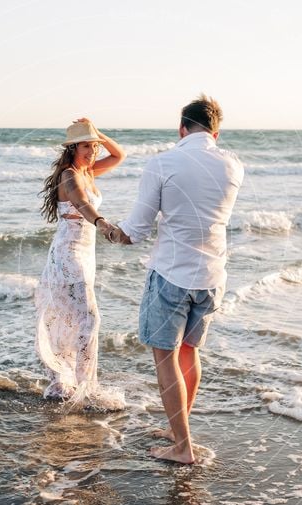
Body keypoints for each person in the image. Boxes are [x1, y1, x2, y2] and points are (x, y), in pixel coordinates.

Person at [109, 95, 243, 463]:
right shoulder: (233, 166)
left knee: (165, 357)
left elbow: (135, 229)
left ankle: (182, 446)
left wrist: (107, 229)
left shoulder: (163, 162)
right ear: (216, 131)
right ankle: (177, 427)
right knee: (189, 352)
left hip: (172, 274)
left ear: (181, 127)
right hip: (212, 276)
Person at [35, 118, 125, 404]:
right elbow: (82, 205)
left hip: (86, 254)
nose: (92, 151)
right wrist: (103, 224)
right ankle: (87, 387)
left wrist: (97, 133)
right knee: (90, 317)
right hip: (68, 253)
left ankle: (69, 381)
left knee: (74, 317)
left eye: (94, 146)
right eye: (86, 145)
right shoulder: (70, 176)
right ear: (73, 147)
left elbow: (119, 155)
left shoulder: (90, 172)